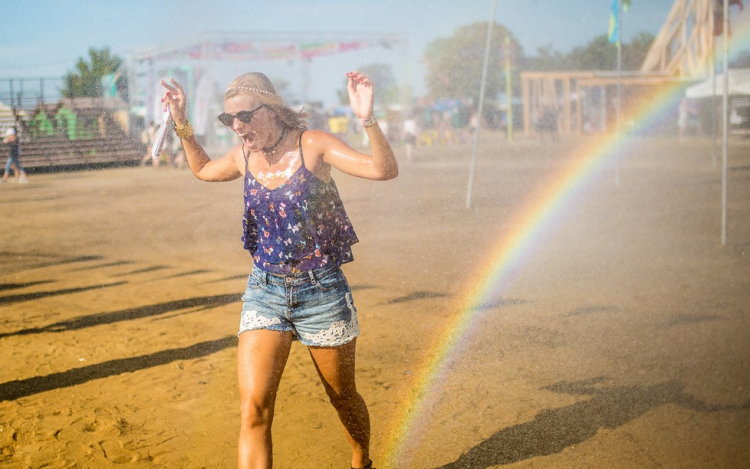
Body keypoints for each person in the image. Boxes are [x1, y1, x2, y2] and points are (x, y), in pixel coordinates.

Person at [159, 70, 397, 469]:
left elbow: (382, 169)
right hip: (264, 288)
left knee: (343, 397)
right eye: (228, 120)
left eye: (245, 117)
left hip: (321, 291)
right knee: (253, 409)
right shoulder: (244, 156)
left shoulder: (313, 145)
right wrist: (182, 123)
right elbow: (202, 170)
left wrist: (367, 119)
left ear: (271, 111)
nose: (237, 127)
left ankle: (362, 460)